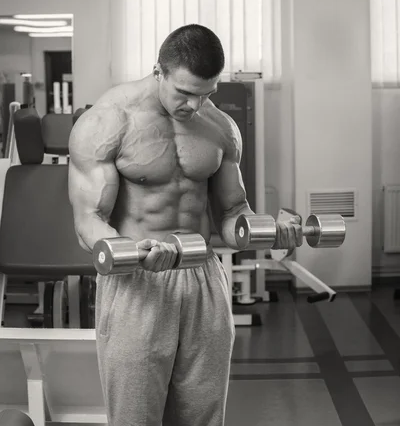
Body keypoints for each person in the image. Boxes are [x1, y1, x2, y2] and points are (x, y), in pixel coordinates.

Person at [68, 24, 302, 426]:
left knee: (203, 417)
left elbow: (231, 213)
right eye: (185, 92)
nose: (195, 106)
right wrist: (132, 252)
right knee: (134, 417)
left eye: (207, 93)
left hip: (202, 278)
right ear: (158, 70)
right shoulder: (107, 122)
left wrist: (267, 230)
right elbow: (88, 222)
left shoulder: (221, 128)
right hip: (136, 282)